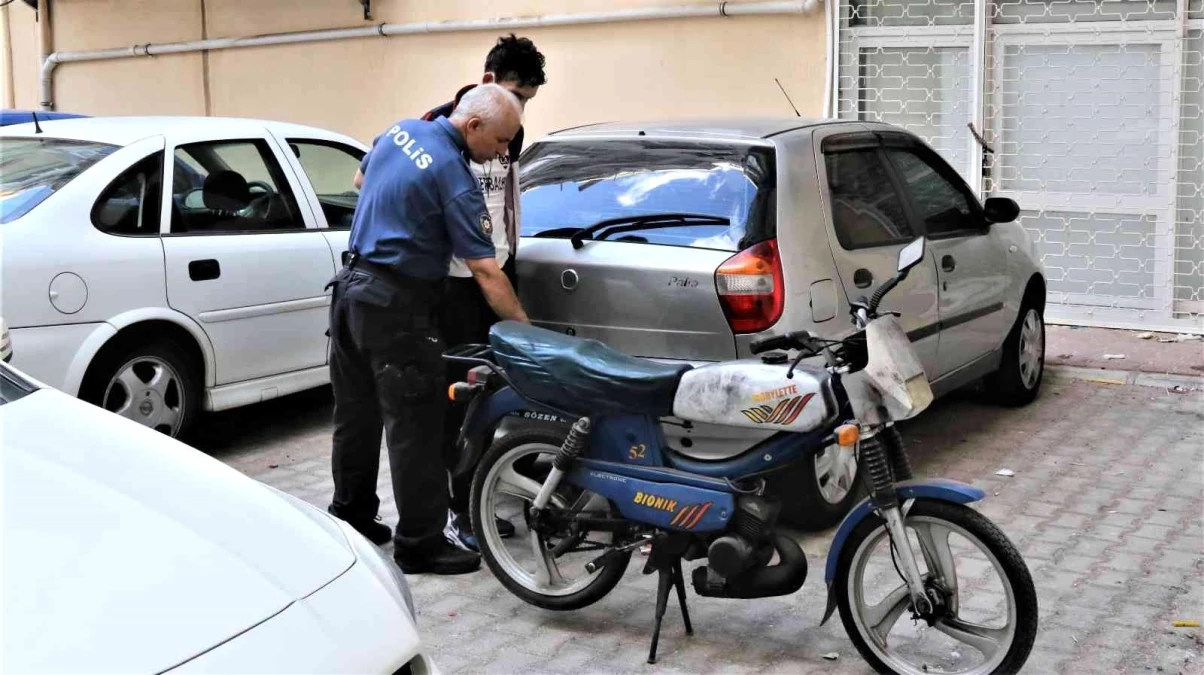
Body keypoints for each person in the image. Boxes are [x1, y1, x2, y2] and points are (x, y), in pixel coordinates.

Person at [328, 84, 530, 575]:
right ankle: (419, 542)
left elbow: (360, 180)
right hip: (396, 307)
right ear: (474, 126)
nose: (502, 153)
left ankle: (351, 516)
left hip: (349, 292)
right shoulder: (454, 177)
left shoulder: (402, 131)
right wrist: (526, 333)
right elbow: (486, 272)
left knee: (355, 414)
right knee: (414, 426)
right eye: (501, 142)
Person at [423, 34, 547, 552]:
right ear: (490, 83)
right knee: (460, 402)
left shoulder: (510, 133)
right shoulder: (439, 125)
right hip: (455, 282)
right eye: (516, 94)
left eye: (528, 102)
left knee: (498, 394)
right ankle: (457, 511)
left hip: (498, 273)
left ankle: (485, 491)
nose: (519, 110)